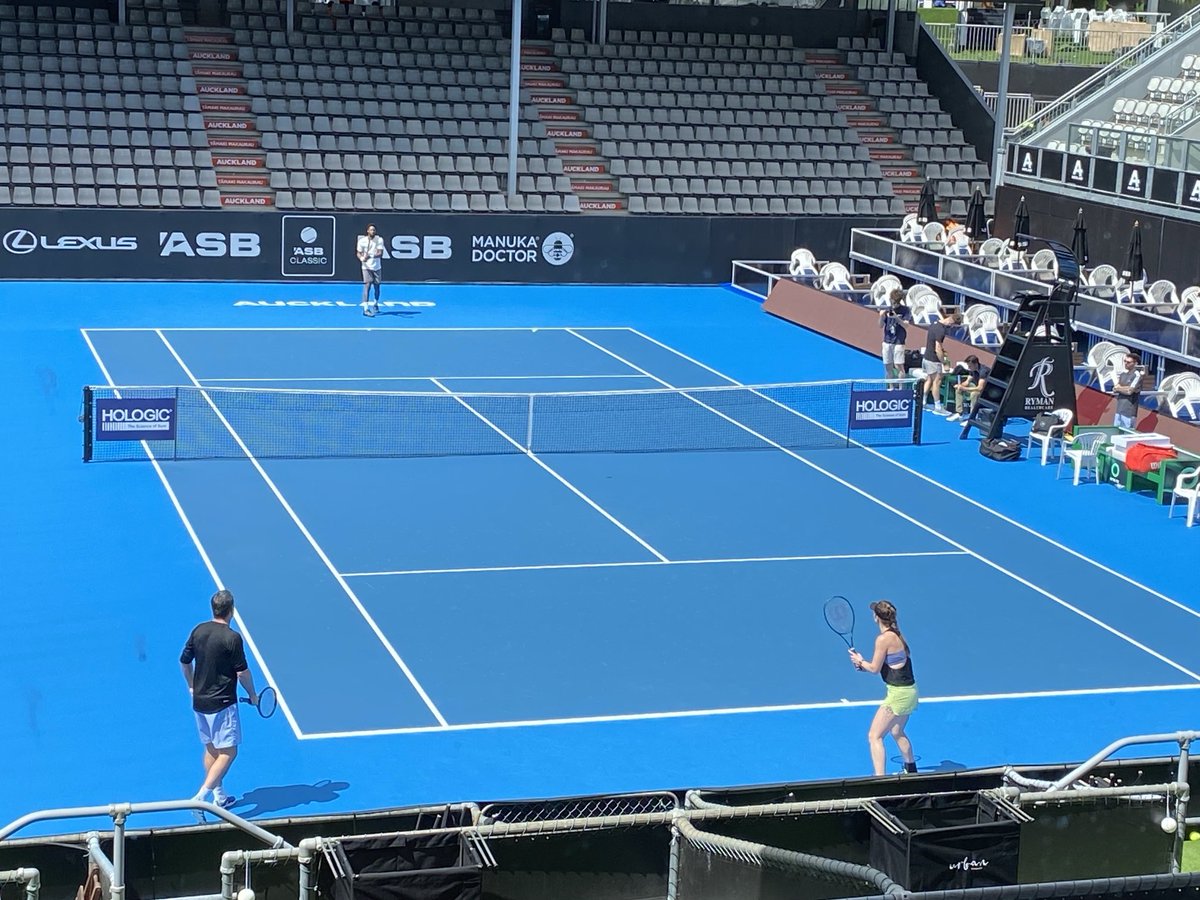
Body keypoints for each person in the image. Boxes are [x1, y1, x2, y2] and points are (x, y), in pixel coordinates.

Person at [180, 589, 258, 820]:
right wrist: (253, 695)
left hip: (200, 701)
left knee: (211, 749)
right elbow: (242, 672)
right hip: (222, 703)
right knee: (229, 752)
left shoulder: (198, 630)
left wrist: (192, 685)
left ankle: (220, 796)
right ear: (231, 610)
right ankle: (200, 799)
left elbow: (184, 662)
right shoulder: (232, 638)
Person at [849, 601, 919, 777]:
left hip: (898, 695)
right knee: (897, 731)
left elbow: (874, 669)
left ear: (876, 618)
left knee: (874, 736)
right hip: (910, 692)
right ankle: (911, 770)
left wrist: (860, 661)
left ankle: (880, 779)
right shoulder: (897, 635)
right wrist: (862, 663)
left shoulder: (883, 639)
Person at [921, 310, 962, 415]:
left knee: (930, 379)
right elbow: (938, 348)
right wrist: (943, 361)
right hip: (933, 360)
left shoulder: (934, 324)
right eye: (952, 325)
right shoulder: (941, 331)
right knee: (937, 382)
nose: (951, 327)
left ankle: (923, 402)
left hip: (926, 358)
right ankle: (938, 406)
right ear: (951, 322)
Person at [879, 289, 911, 386]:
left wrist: (897, 318)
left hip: (899, 342)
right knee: (888, 366)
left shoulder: (905, 310)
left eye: (896, 302)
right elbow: (880, 325)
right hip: (887, 341)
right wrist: (881, 316)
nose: (893, 304)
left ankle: (901, 389)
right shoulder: (887, 309)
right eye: (892, 301)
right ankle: (890, 388)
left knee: (899, 366)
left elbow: (906, 325)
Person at [947, 354, 990, 422]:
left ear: (975, 364)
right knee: (959, 390)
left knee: (974, 394)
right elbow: (967, 382)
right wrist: (960, 386)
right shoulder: (972, 370)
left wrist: (965, 389)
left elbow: (980, 388)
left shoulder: (983, 371)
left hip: (986, 391)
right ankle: (959, 413)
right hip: (976, 387)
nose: (968, 367)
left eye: (970, 366)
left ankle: (972, 416)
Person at [357, 223, 384, 317]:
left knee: (377, 286)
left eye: (374, 230)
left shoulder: (379, 240)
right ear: (367, 231)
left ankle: (375, 304)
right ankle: (365, 309)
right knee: (367, 285)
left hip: (376, 267)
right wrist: (362, 258)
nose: (373, 231)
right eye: (371, 230)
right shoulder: (362, 241)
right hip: (366, 267)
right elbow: (358, 253)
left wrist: (370, 256)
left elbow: (380, 253)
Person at [1113, 353, 1143, 429]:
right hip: (1119, 411)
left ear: (1135, 363)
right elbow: (1114, 389)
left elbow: (1130, 391)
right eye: (1125, 361)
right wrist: (1121, 388)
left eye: (1128, 362)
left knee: (1127, 435)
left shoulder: (1137, 375)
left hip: (1129, 412)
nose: (1126, 364)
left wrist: (1119, 388)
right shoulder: (1123, 374)